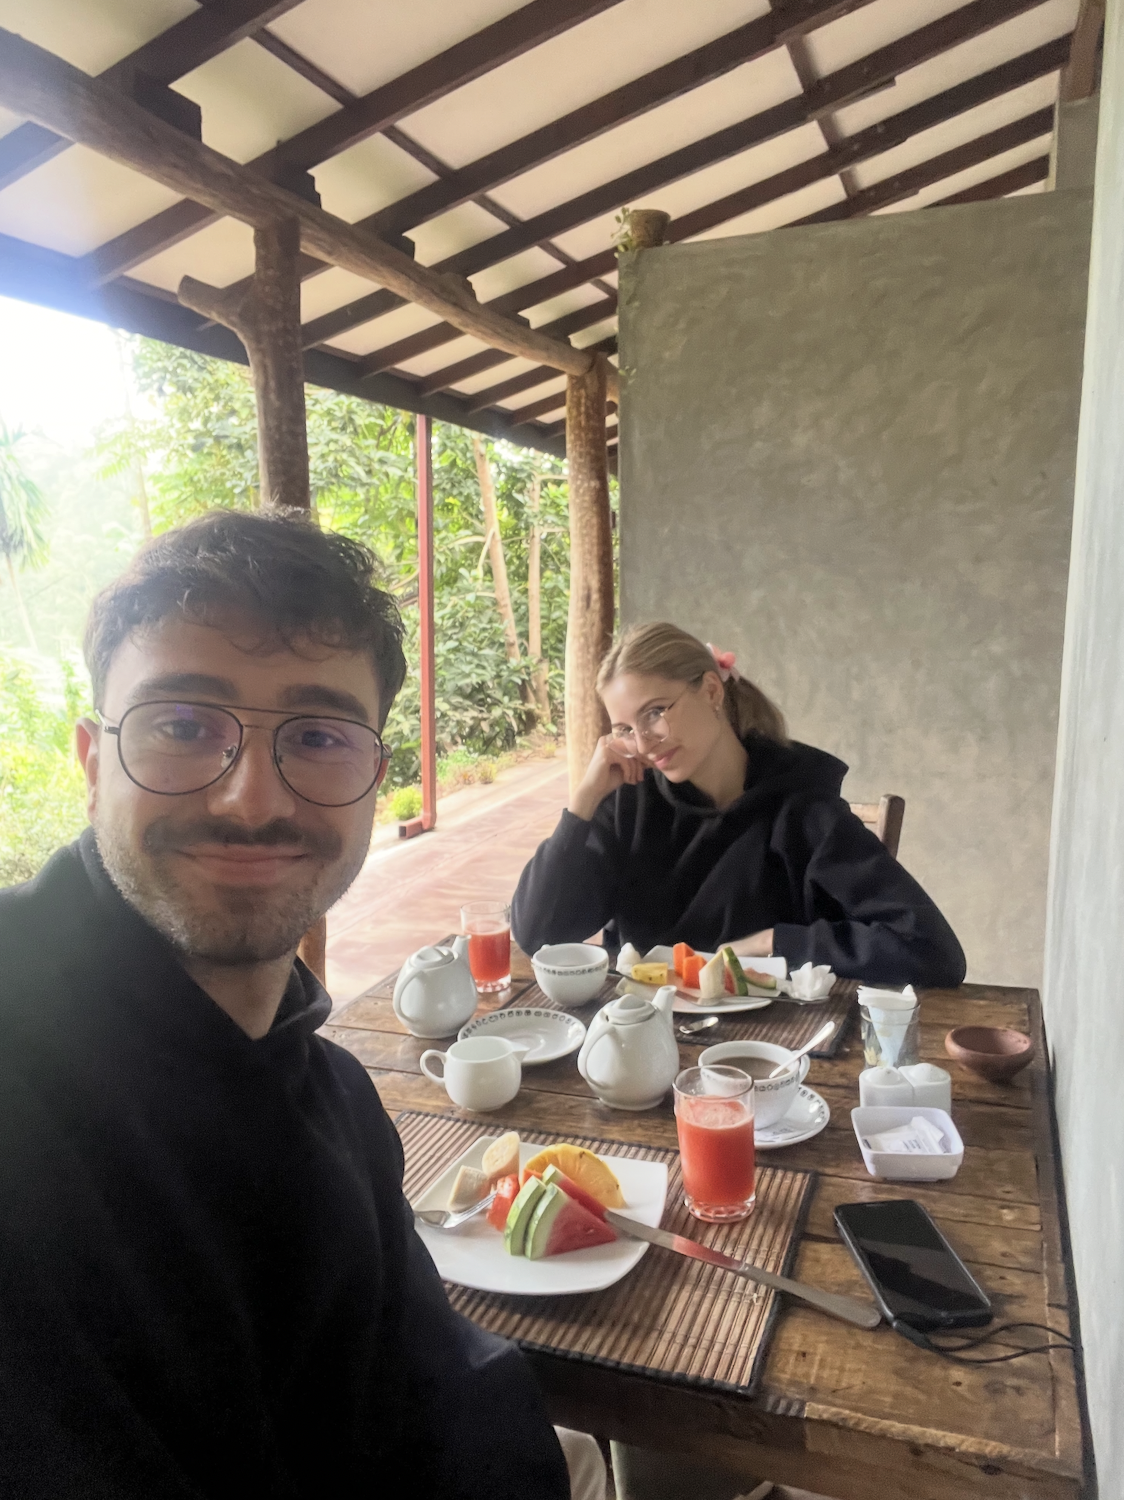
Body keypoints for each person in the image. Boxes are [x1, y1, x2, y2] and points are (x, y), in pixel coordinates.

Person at [0, 510, 601, 1499]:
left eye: (316, 735)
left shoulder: (329, 1094)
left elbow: (431, 1387)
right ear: (92, 758)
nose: (250, 801)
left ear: (372, 775)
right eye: (183, 726)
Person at [513, 622, 965, 986]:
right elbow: (538, 936)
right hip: (642, 1048)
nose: (645, 743)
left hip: (775, 1056)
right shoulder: (629, 807)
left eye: (655, 712)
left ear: (711, 690)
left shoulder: (805, 810)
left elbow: (932, 950)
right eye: (625, 729)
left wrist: (771, 942)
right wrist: (582, 802)